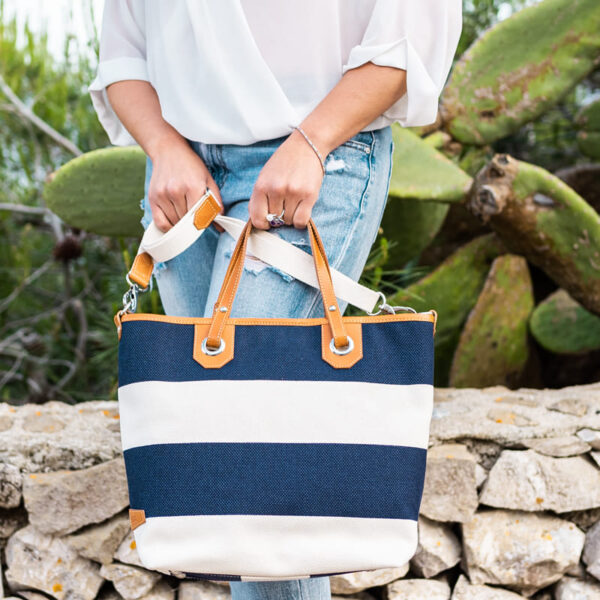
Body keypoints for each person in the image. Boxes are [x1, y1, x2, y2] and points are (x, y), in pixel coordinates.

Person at [89, 1, 462, 598]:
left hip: (317, 157)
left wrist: (310, 143)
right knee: (230, 464)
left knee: (254, 472)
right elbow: (124, 52)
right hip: (182, 177)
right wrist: (163, 147)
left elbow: (408, 31)